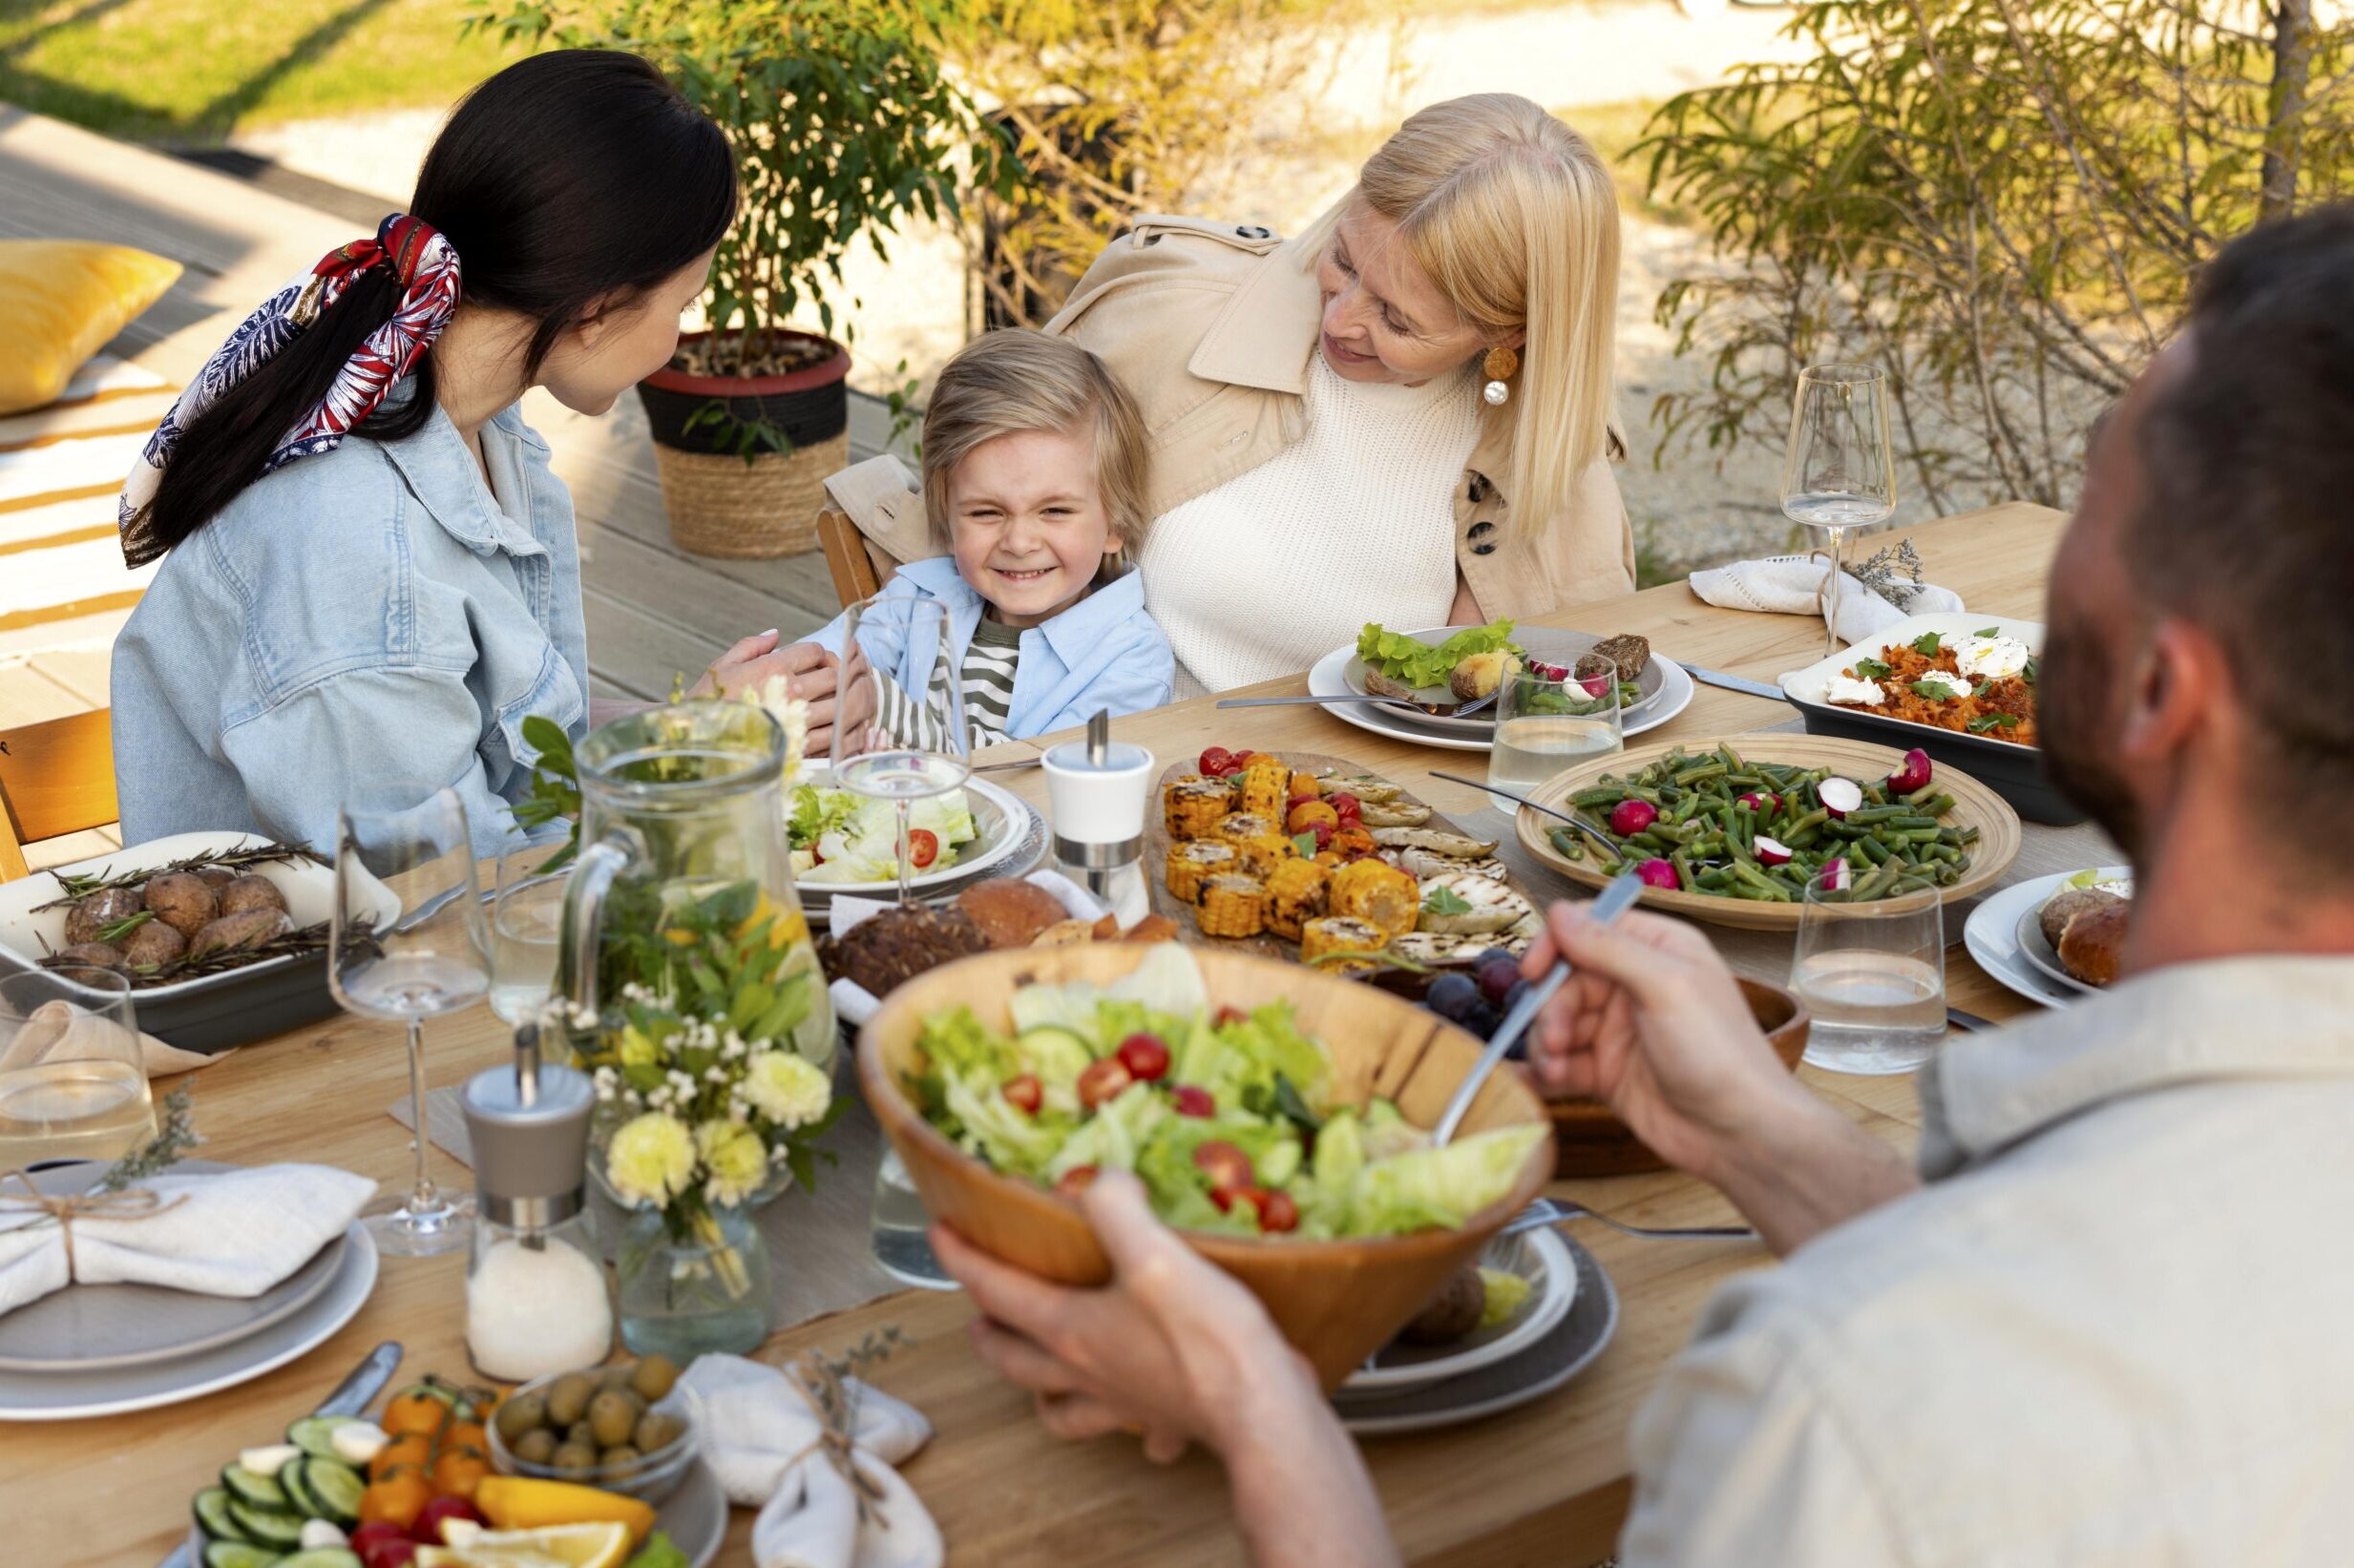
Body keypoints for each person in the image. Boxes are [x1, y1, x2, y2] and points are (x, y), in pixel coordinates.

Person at [933, 203, 2354, 1565]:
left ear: (2164, 686)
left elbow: (1968, 1349)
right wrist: (1757, 1127)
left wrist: (1257, 1400)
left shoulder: (1831, 1403)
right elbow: (2058, 1323)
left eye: (2086, 516)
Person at [110, 50, 785, 856]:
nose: (679, 340)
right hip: (344, 967)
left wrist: (690, 727)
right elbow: (438, 894)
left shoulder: (468, 423)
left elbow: (511, 760)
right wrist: (690, 770)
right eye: (686, 302)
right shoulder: (361, 559)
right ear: (597, 309)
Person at [807, 93, 1631, 698]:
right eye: (1344, 259)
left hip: (1365, 810)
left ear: (1509, 334)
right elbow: (972, 501)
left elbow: (1540, 706)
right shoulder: (1172, 317)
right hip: (1100, 753)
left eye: (1398, 319)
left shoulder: (1551, 460)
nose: (1339, 319)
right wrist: (828, 662)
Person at [796, 330, 1174, 746]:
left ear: (1116, 525)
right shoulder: (918, 598)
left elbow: (1040, 780)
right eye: (986, 513)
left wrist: (879, 709)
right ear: (946, 518)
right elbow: (824, 662)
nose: (1018, 542)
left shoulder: (1132, 660)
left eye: (1055, 511)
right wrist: (780, 680)